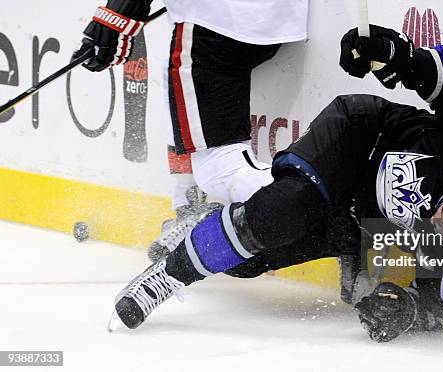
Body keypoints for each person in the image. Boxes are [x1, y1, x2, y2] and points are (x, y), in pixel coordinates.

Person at [107, 25, 443, 342]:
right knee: (279, 212)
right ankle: (167, 277)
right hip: (361, 140)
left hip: (365, 228)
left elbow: (437, 306)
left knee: (248, 263)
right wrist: (394, 53)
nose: (441, 222)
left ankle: (213, 220)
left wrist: (400, 304)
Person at [74, 0, 309, 261]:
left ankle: (327, 209)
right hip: (272, 17)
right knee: (175, 84)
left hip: (216, 19)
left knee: (219, 169)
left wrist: (115, 16)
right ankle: (188, 206)